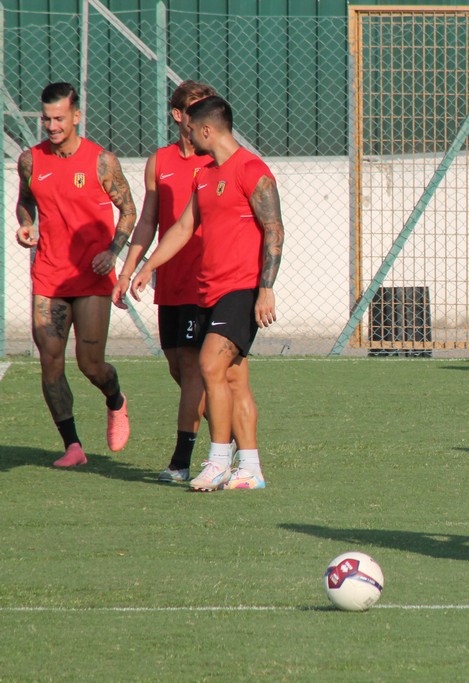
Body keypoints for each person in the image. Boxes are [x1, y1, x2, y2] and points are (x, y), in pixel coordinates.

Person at [130, 95, 284, 492]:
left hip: (242, 289)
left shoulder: (251, 170)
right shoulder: (204, 175)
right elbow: (183, 228)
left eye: (192, 129)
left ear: (207, 129)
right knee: (233, 380)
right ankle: (250, 469)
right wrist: (148, 266)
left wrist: (265, 288)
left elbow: (274, 229)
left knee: (209, 365)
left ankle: (217, 462)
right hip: (208, 291)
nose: (188, 135)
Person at [15, 82, 135, 467]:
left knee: (90, 364)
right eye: (46, 119)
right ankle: (73, 446)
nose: (52, 126)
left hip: (91, 278)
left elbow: (129, 211)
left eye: (59, 119)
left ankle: (115, 399)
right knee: (50, 361)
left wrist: (112, 251)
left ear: (77, 117)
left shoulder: (102, 162)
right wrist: (26, 225)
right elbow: (25, 202)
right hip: (49, 277)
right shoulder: (30, 160)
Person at [113, 81, 218, 483]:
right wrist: (128, 270)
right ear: (178, 115)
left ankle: (180, 462)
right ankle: (230, 437)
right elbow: (148, 220)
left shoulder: (215, 160)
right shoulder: (160, 161)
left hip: (204, 280)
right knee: (178, 368)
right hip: (168, 280)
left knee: (191, 367)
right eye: (196, 108)